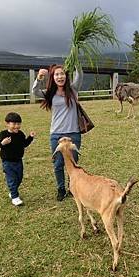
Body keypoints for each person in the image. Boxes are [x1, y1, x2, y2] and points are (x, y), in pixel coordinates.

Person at [31, 64, 83, 201]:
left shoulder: (73, 89)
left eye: (62, 74)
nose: (60, 77)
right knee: (58, 163)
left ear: (66, 76)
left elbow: (80, 75)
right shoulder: (49, 93)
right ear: (53, 78)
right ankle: (61, 189)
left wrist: (76, 61)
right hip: (56, 134)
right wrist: (39, 78)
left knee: (73, 162)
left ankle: (72, 187)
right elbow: (35, 91)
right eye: (57, 74)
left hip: (74, 133)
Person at [0, 112, 35, 206]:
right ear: (7, 123)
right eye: (14, 124)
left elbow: (24, 144)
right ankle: (15, 197)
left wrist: (30, 137)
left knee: (19, 179)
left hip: (18, 161)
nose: (17, 126)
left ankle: (12, 192)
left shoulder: (20, 134)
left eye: (18, 124)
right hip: (7, 162)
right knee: (12, 179)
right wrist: (2, 143)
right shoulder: (3, 134)